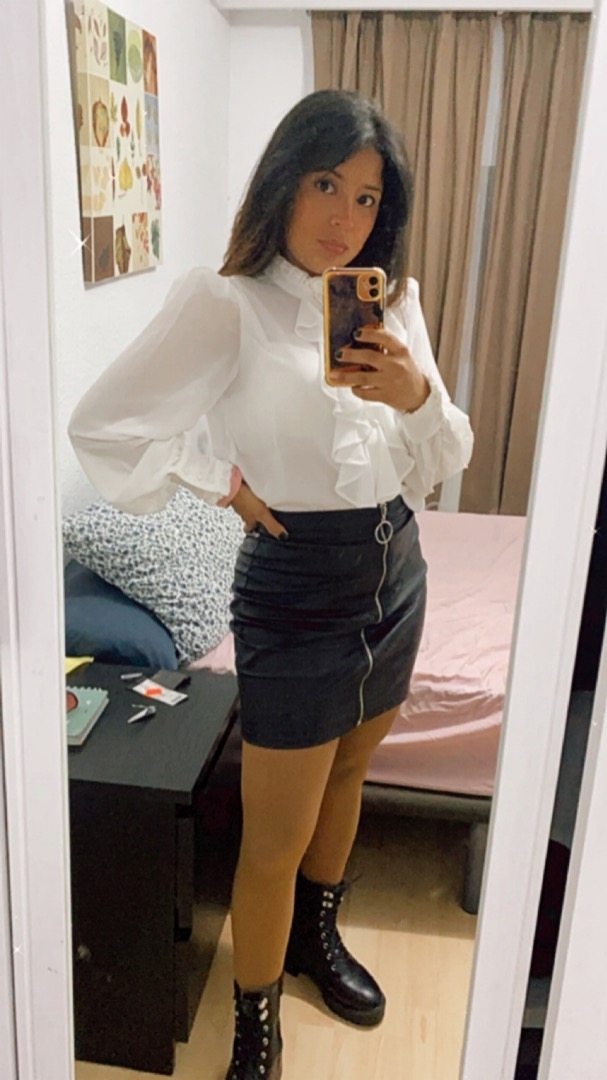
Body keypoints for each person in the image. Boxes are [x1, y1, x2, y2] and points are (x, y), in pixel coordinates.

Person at [69, 90, 473, 1080]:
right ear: (283, 181)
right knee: (271, 835)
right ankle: (255, 1018)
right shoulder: (227, 304)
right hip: (294, 590)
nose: (345, 218)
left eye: (367, 198)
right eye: (326, 184)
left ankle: (312, 940)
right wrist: (224, 485)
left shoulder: (392, 303)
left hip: (396, 572)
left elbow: (442, 459)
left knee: (349, 776)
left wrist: (415, 396)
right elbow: (103, 425)